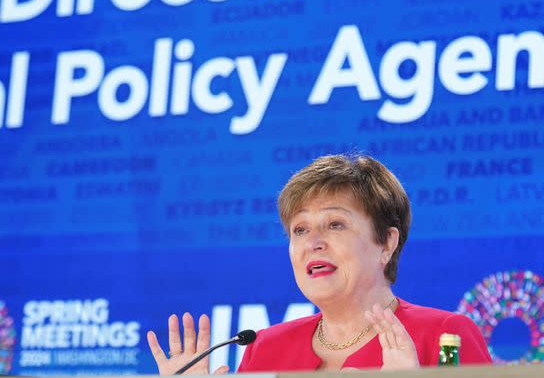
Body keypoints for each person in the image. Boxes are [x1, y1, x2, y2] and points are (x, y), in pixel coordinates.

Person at [147, 154, 491, 372]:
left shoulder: (444, 336)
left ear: (387, 241)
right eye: (300, 230)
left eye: (335, 224)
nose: (313, 243)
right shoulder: (263, 348)